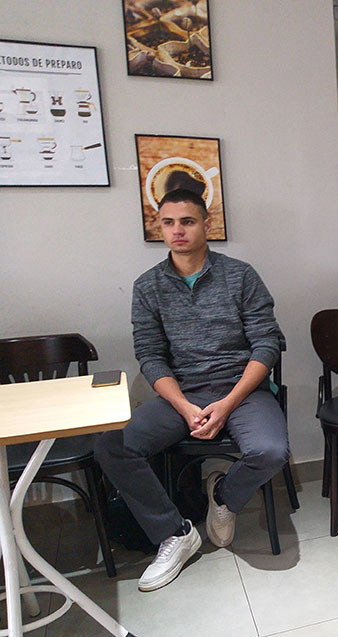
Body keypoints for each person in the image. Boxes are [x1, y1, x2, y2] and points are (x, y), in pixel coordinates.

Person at [96, 189, 289, 591]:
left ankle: (224, 496)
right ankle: (175, 533)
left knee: (270, 451)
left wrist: (228, 403)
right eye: (168, 223)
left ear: (206, 224)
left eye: (187, 221)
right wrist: (184, 406)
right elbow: (150, 356)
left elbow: (266, 344)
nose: (177, 230)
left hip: (242, 390)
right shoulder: (148, 286)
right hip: (182, 393)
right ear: (160, 227)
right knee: (112, 446)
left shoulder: (240, 275)